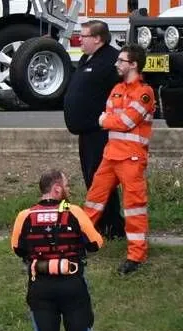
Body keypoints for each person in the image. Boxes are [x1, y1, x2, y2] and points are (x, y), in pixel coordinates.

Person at [11, 170, 107, 331]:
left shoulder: (25, 215)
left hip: (40, 287)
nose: (69, 188)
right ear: (56, 189)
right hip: (72, 284)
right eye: (66, 184)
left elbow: (17, 248)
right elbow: (96, 243)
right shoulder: (74, 212)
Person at [82, 44, 155, 275]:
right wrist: (110, 119)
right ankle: (79, 243)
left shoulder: (145, 92)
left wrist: (107, 120)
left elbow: (123, 121)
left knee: (134, 208)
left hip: (131, 159)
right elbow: (112, 116)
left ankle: (136, 256)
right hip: (111, 155)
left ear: (133, 64)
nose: (116, 63)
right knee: (92, 202)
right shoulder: (117, 88)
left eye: (121, 61)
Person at [63, 20, 125, 241]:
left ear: (98, 38)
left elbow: (122, 91)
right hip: (84, 132)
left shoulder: (111, 60)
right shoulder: (86, 59)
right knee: (91, 177)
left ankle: (112, 226)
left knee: (102, 178)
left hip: (100, 132)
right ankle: (101, 224)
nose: (80, 38)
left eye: (85, 35)